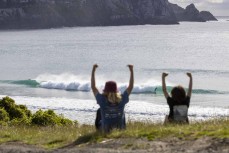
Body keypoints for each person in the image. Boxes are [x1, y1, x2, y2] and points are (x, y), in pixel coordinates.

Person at [91, 64, 134, 133]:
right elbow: (130, 87)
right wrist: (131, 71)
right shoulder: (122, 99)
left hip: (105, 130)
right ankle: (123, 129)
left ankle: (98, 131)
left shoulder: (102, 100)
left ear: (105, 90)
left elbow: (93, 87)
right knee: (122, 113)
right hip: (119, 129)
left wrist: (93, 70)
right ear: (116, 90)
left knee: (99, 111)